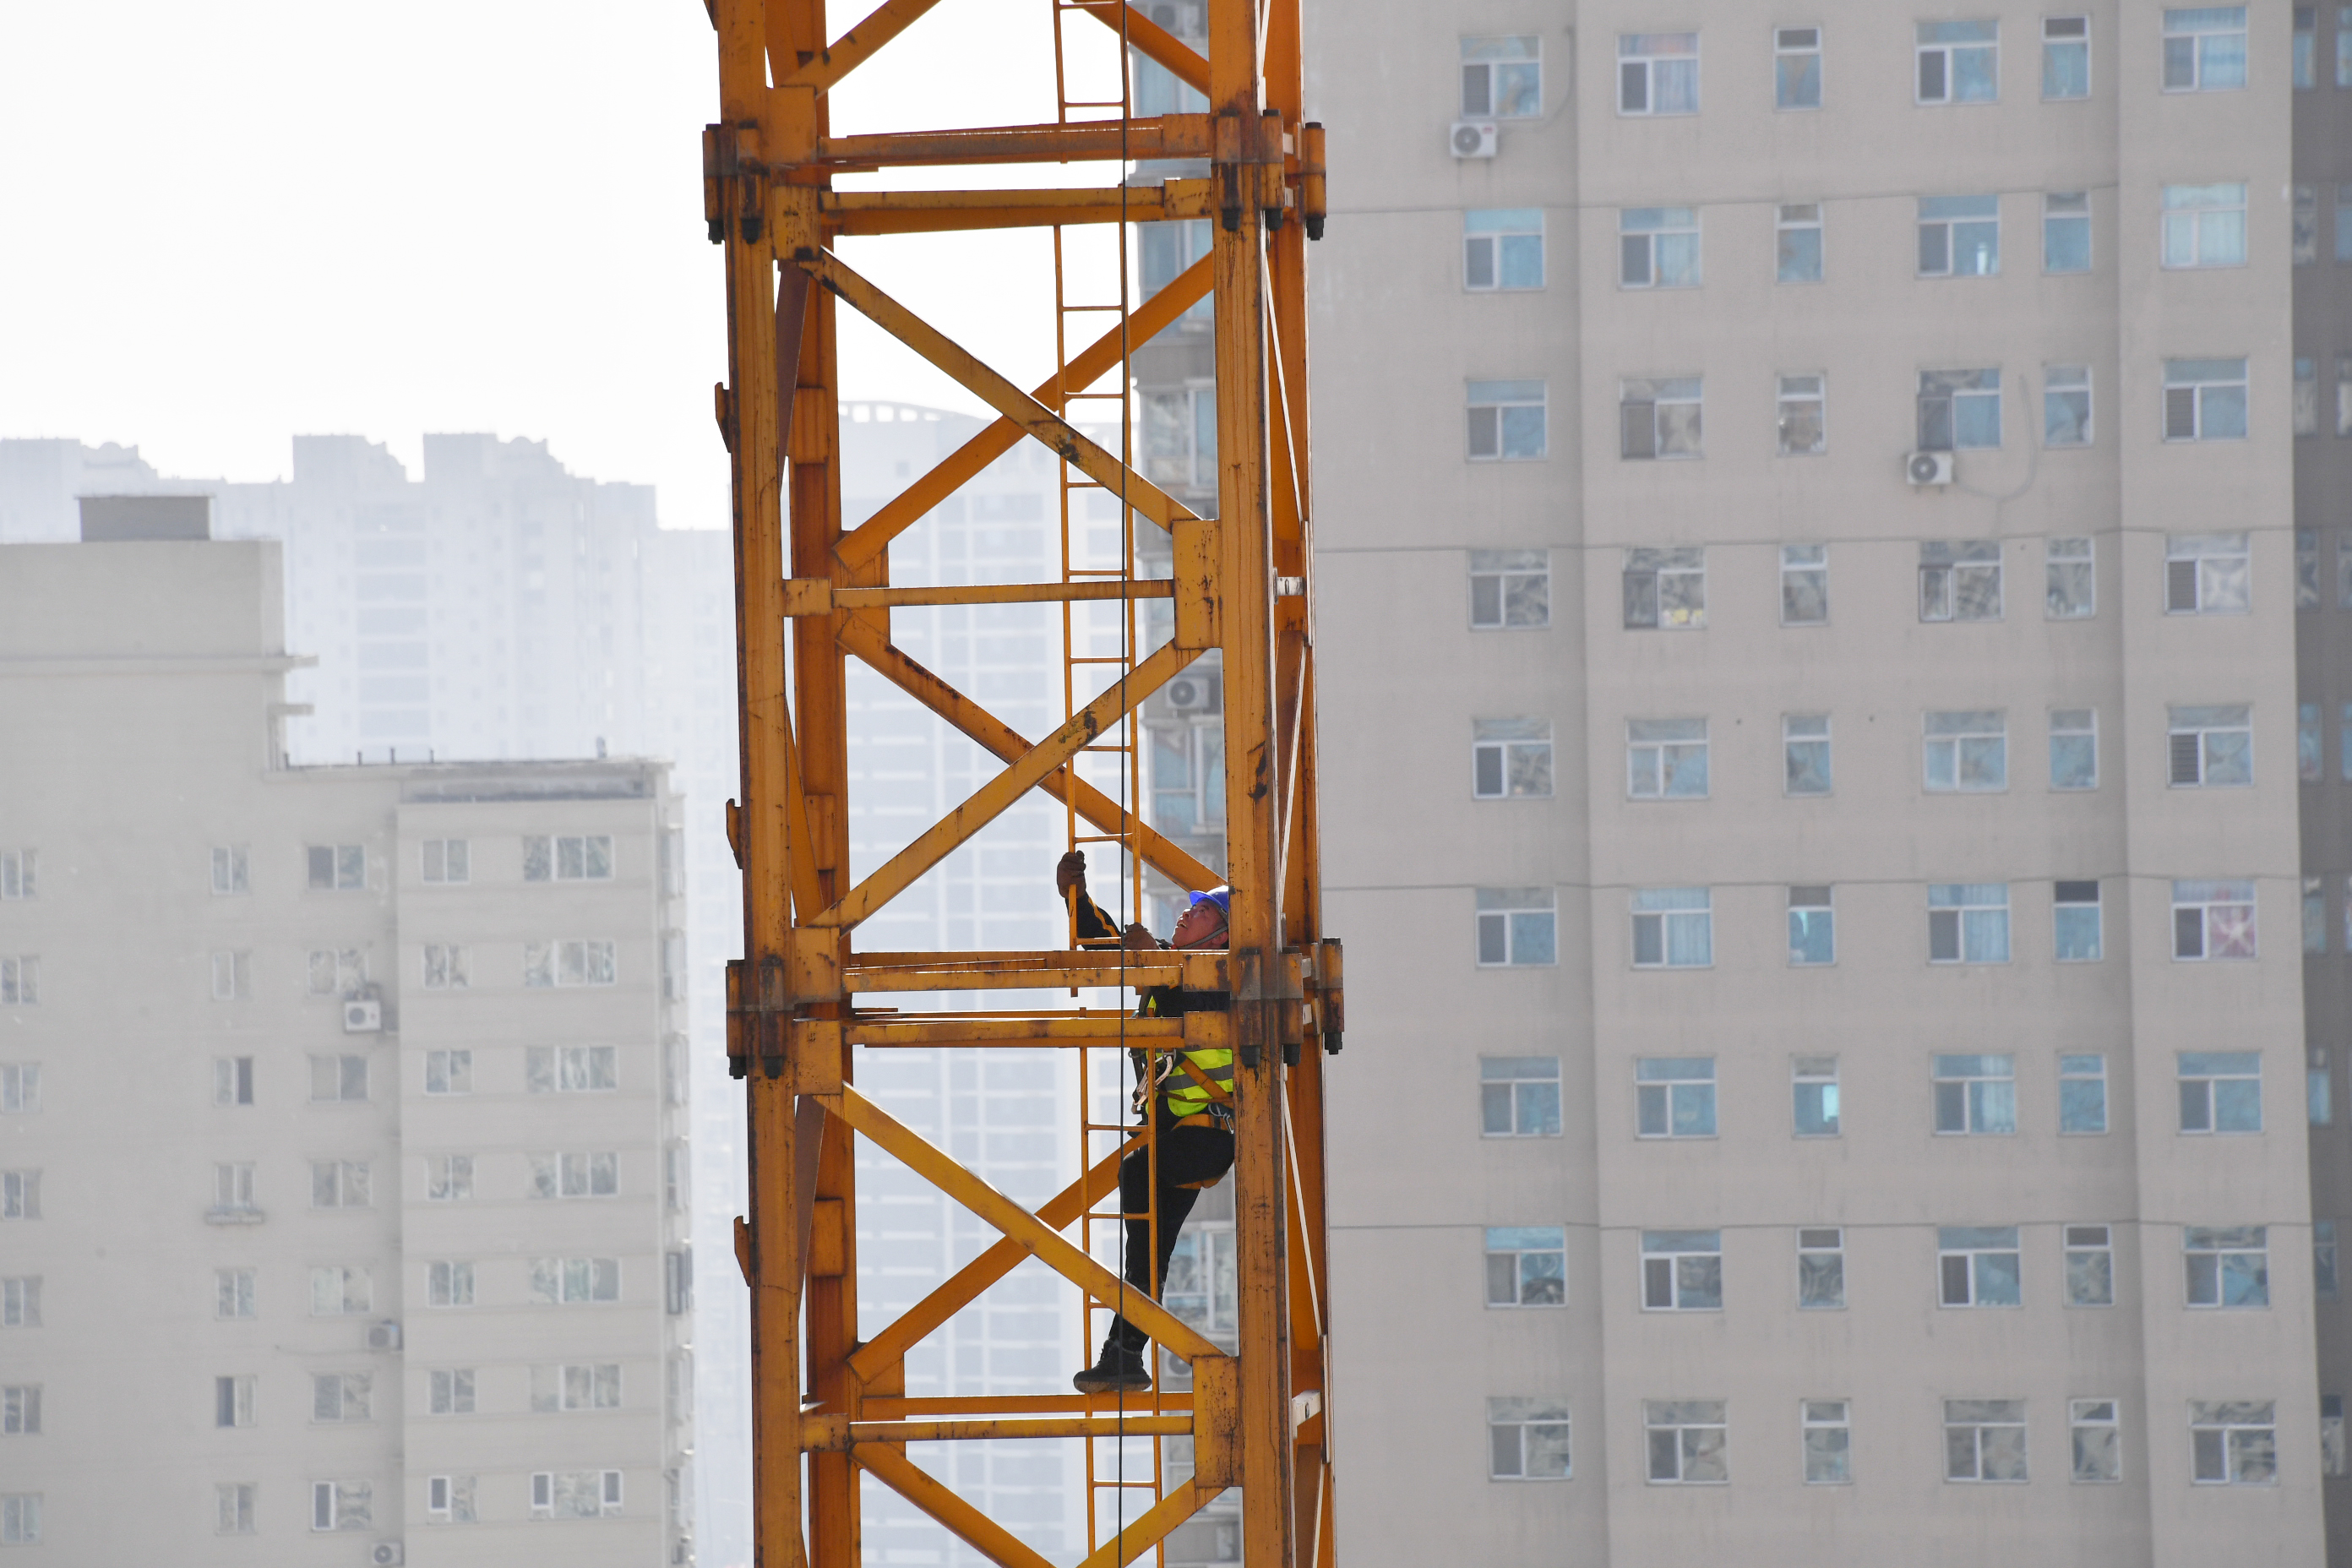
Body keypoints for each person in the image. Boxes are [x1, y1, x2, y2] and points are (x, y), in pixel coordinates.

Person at [1056, 848, 1236, 1394]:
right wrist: (1076, 897)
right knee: (1148, 1249)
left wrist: (1155, 970)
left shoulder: (1223, 975)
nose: (1187, 913)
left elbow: (1197, 999)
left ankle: (1126, 1347)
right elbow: (1106, 943)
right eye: (1190, 908)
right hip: (1182, 1138)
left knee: (1138, 1178)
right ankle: (1124, 1354)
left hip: (1204, 1139)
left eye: (1203, 912)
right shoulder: (1170, 966)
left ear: (1222, 936)